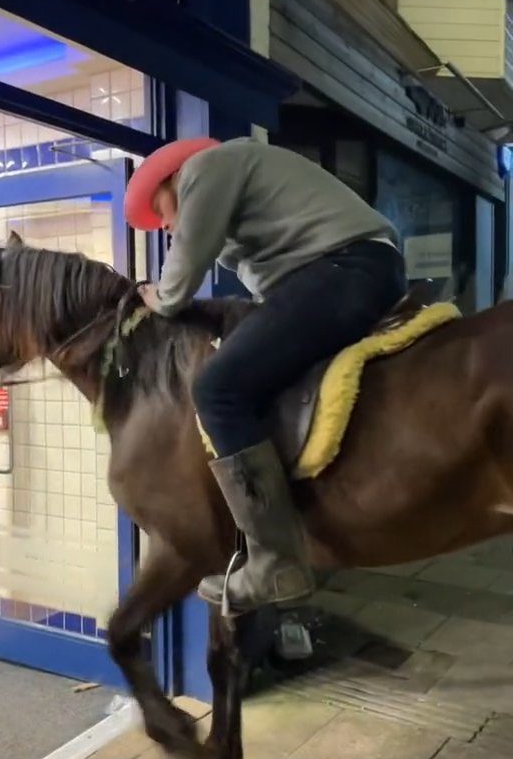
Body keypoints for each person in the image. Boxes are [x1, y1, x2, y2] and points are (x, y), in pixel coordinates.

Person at [124, 136, 406, 615]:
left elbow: (178, 279)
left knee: (217, 389)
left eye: (163, 211)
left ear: (172, 178)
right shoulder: (241, 177)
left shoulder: (206, 168)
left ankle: (276, 562)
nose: (168, 225)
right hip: (343, 272)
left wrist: (156, 296)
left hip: (341, 271)